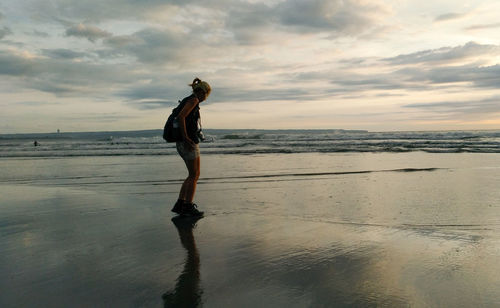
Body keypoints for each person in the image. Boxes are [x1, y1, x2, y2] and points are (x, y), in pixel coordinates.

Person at [171, 78, 211, 217]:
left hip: (182, 142)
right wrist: (186, 137)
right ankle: (187, 206)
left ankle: (181, 204)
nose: (206, 98)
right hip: (187, 142)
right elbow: (181, 117)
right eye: (206, 94)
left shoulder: (189, 99)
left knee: (191, 175)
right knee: (194, 175)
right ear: (202, 92)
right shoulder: (193, 100)